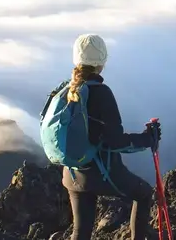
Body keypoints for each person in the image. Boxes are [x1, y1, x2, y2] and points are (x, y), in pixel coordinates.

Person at [46, 34, 162, 240]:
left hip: (72, 174)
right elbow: (114, 142)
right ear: (102, 62)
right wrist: (148, 138)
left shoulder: (64, 90)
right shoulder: (101, 93)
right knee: (143, 194)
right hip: (102, 173)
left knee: (80, 232)